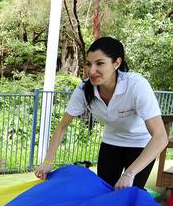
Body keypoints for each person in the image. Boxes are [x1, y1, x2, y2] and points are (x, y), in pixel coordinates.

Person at [35, 37, 168, 189]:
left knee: (129, 197)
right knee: (104, 194)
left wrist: (129, 174)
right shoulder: (84, 89)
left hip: (140, 145)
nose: (92, 71)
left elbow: (160, 137)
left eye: (100, 63)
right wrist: (47, 162)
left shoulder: (137, 86)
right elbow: (62, 127)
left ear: (116, 63)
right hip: (111, 144)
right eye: (88, 64)